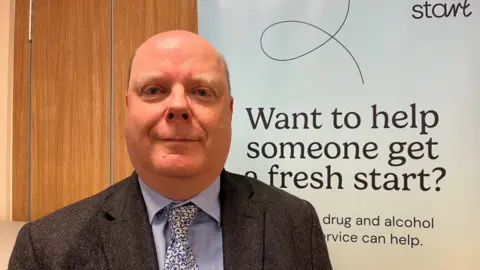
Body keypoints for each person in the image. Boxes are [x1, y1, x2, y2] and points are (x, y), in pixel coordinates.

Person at [8, 30, 333, 270]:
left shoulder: (295, 224)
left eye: (202, 91)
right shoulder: (46, 249)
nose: (178, 106)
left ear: (229, 111)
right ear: (127, 108)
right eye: (154, 90)